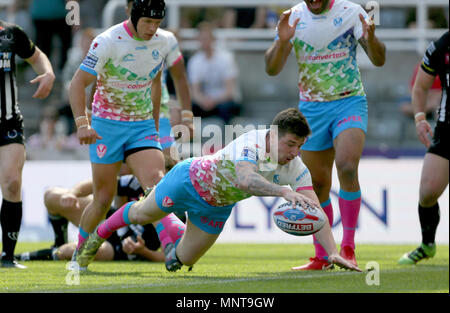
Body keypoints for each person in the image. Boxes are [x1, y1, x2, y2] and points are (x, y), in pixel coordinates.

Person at [76, 108, 362, 273]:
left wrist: (332, 252)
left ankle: (168, 225)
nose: (295, 152)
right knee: (139, 213)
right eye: (290, 144)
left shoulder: (296, 167)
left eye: (300, 146)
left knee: (179, 262)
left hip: (216, 207)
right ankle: (93, 242)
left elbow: (314, 210)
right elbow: (244, 181)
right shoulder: (251, 144)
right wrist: (283, 192)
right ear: (273, 135)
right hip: (188, 181)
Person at [265, 0, 386, 270]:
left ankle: (348, 248)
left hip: (349, 101)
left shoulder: (352, 12)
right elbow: (271, 69)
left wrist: (372, 39)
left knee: (346, 165)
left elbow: (379, 60)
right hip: (312, 108)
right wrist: (283, 42)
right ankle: (323, 255)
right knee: (317, 184)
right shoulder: (293, 17)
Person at [68, 0, 179, 262]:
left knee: (156, 185)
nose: (153, 28)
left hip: (141, 127)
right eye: (148, 22)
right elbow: (77, 83)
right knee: (103, 198)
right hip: (106, 127)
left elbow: (154, 82)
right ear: (134, 16)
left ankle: (170, 247)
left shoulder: (163, 42)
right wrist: (82, 124)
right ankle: (81, 252)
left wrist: (152, 126)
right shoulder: (106, 41)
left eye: (158, 23)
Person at [15, 174, 186, 263]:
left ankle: (20, 256)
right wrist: (72, 194)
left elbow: (169, 257)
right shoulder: (138, 182)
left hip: (119, 248)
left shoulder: (177, 210)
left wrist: (143, 252)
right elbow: (98, 185)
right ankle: (59, 239)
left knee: (67, 252)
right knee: (52, 196)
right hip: (109, 220)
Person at [0, 19, 55, 268]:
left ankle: (8, 256)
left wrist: (48, 72)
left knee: (12, 183)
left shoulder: (11, 34)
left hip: (8, 123)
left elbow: (36, 55)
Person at [398, 31, 449, 265]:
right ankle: (427, 245)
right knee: (428, 192)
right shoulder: (441, 46)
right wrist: (419, 118)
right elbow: (420, 87)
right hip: (447, 129)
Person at [187, 21, 241, 126]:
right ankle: (191, 139)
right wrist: (203, 101)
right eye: (202, 39)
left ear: (213, 39)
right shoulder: (194, 61)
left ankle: (227, 139)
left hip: (223, 101)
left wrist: (214, 101)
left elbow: (230, 91)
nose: (205, 42)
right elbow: (195, 91)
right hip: (205, 103)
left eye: (207, 38)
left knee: (226, 108)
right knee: (188, 109)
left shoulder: (226, 58)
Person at [30, 0, 72, 72]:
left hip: (60, 16)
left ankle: (64, 71)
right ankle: (45, 73)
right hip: (40, 17)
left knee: (66, 46)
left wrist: (75, 18)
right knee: (44, 48)